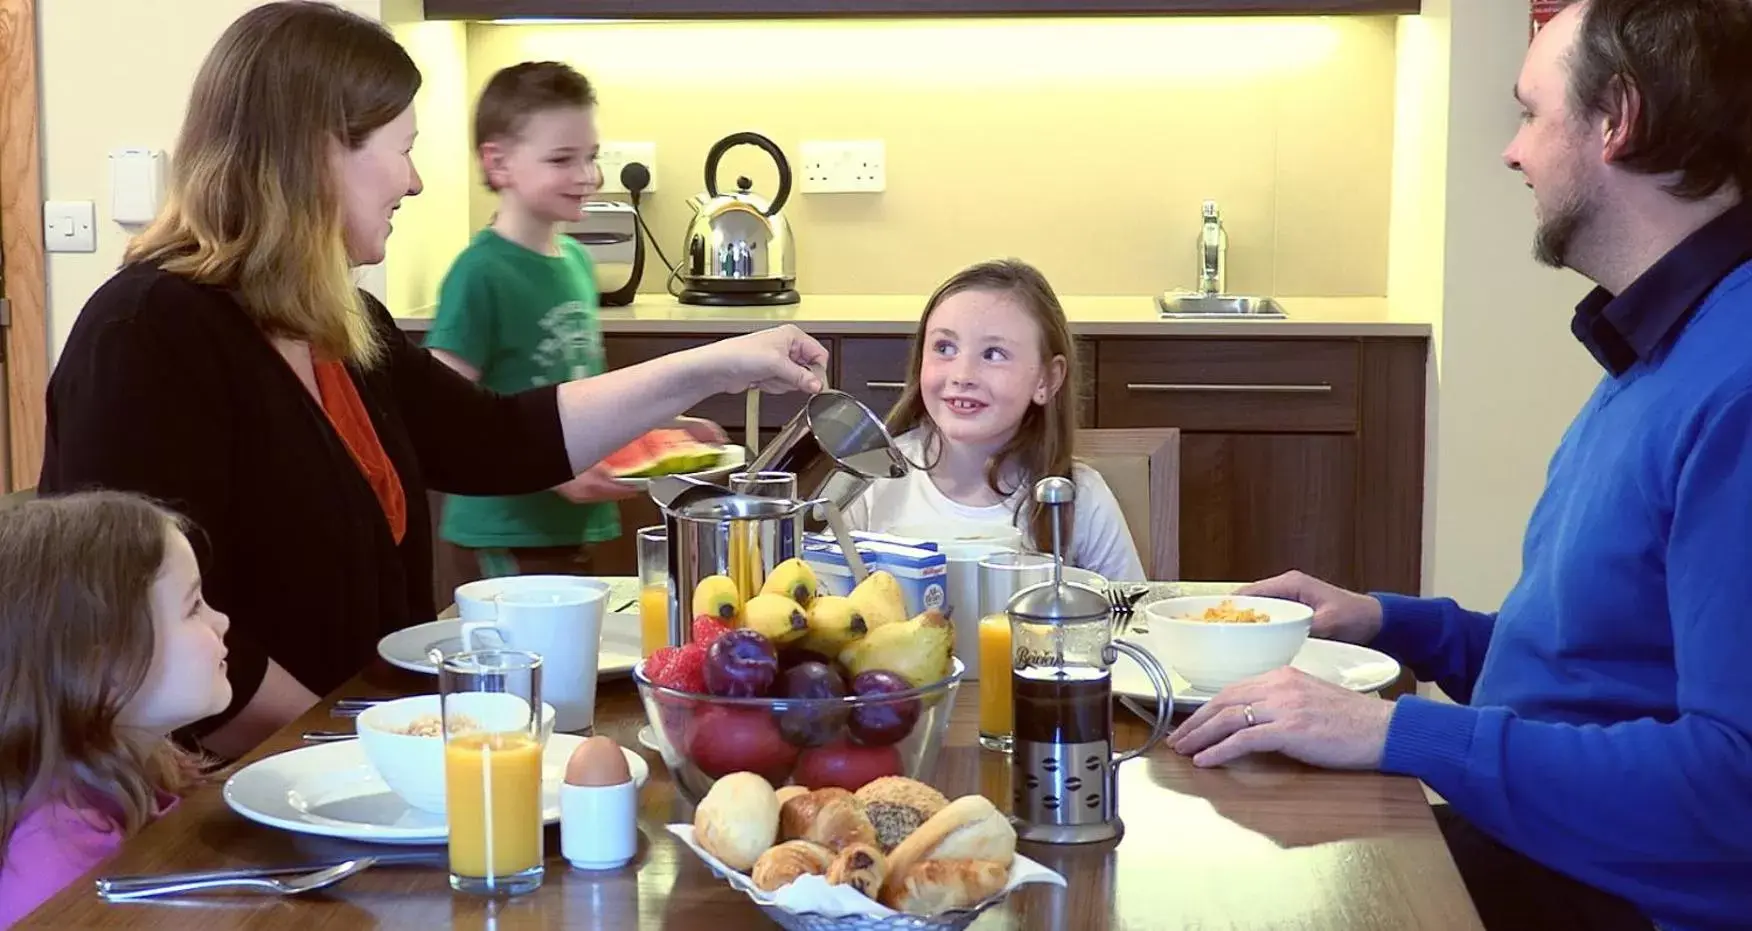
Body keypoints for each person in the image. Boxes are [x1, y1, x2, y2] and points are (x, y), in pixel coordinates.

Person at [37, 1, 827, 761]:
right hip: (224, 788)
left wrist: (717, 363)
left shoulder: (339, 327)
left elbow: (500, 441)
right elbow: (127, 617)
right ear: (317, 151)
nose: (413, 182)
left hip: (343, 758)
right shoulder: (146, 335)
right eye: (402, 147)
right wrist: (344, 744)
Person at [1166, 3, 1752, 929]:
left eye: (1529, 112)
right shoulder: (1658, 355)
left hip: (1623, 898)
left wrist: (1398, 729)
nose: (1511, 153)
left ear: (1618, 119)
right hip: (1553, 851)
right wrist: (1398, 625)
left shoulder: (1737, 382)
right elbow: (1593, 679)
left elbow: (1735, 785)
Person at [424, 61, 720, 590]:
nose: (587, 175)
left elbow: (588, 398)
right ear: (499, 163)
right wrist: (550, 470)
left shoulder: (577, 265)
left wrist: (662, 433)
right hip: (502, 534)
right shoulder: (480, 272)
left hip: (567, 532)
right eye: (563, 159)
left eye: (591, 157)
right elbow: (441, 415)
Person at [0, 493, 230, 926]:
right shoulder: (60, 865)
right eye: (194, 607)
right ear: (103, 665)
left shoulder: (147, 770)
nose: (221, 621)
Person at [845, 259, 1144, 581]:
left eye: (993, 354)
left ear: (1047, 379)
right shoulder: (868, 481)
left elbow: (1129, 616)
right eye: (945, 348)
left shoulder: (1080, 498)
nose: (962, 375)